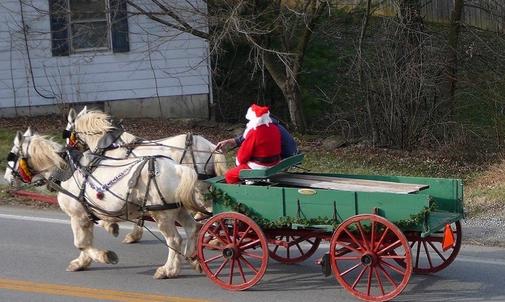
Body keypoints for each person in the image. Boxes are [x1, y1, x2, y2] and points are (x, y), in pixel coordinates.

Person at [223, 104, 282, 184]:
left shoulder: (254, 132)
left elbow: (242, 157)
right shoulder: (274, 128)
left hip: (259, 166)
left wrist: (238, 161)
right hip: (275, 164)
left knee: (229, 175)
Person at [217, 113, 298, 159]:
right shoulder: (272, 125)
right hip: (292, 153)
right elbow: (241, 139)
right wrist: (227, 141)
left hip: (284, 156)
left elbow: (247, 143)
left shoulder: (263, 129)